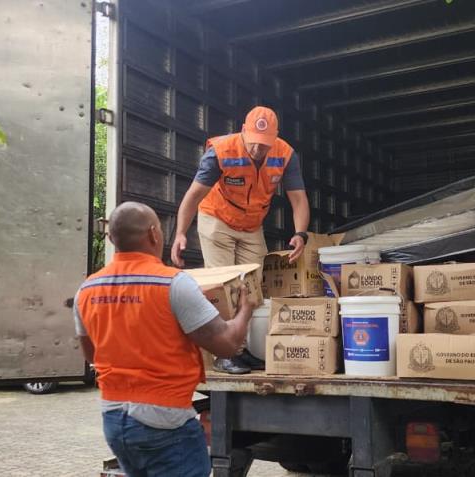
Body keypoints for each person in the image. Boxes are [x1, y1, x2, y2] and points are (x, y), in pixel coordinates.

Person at [74, 201, 255, 477]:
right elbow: (227, 343)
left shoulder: (87, 289)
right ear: (153, 235)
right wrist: (246, 309)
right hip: (165, 422)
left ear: (111, 239)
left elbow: (91, 354)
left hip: (114, 418)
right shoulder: (173, 284)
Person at [171, 106, 310, 374]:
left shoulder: (285, 154)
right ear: (244, 132)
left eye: (265, 145)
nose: (259, 150)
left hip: (251, 225)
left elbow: (298, 198)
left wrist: (300, 233)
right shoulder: (222, 151)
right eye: (254, 144)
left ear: (275, 138)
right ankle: (222, 354)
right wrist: (179, 233)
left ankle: (240, 349)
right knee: (224, 289)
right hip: (217, 220)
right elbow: (193, 195)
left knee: (252, 288)